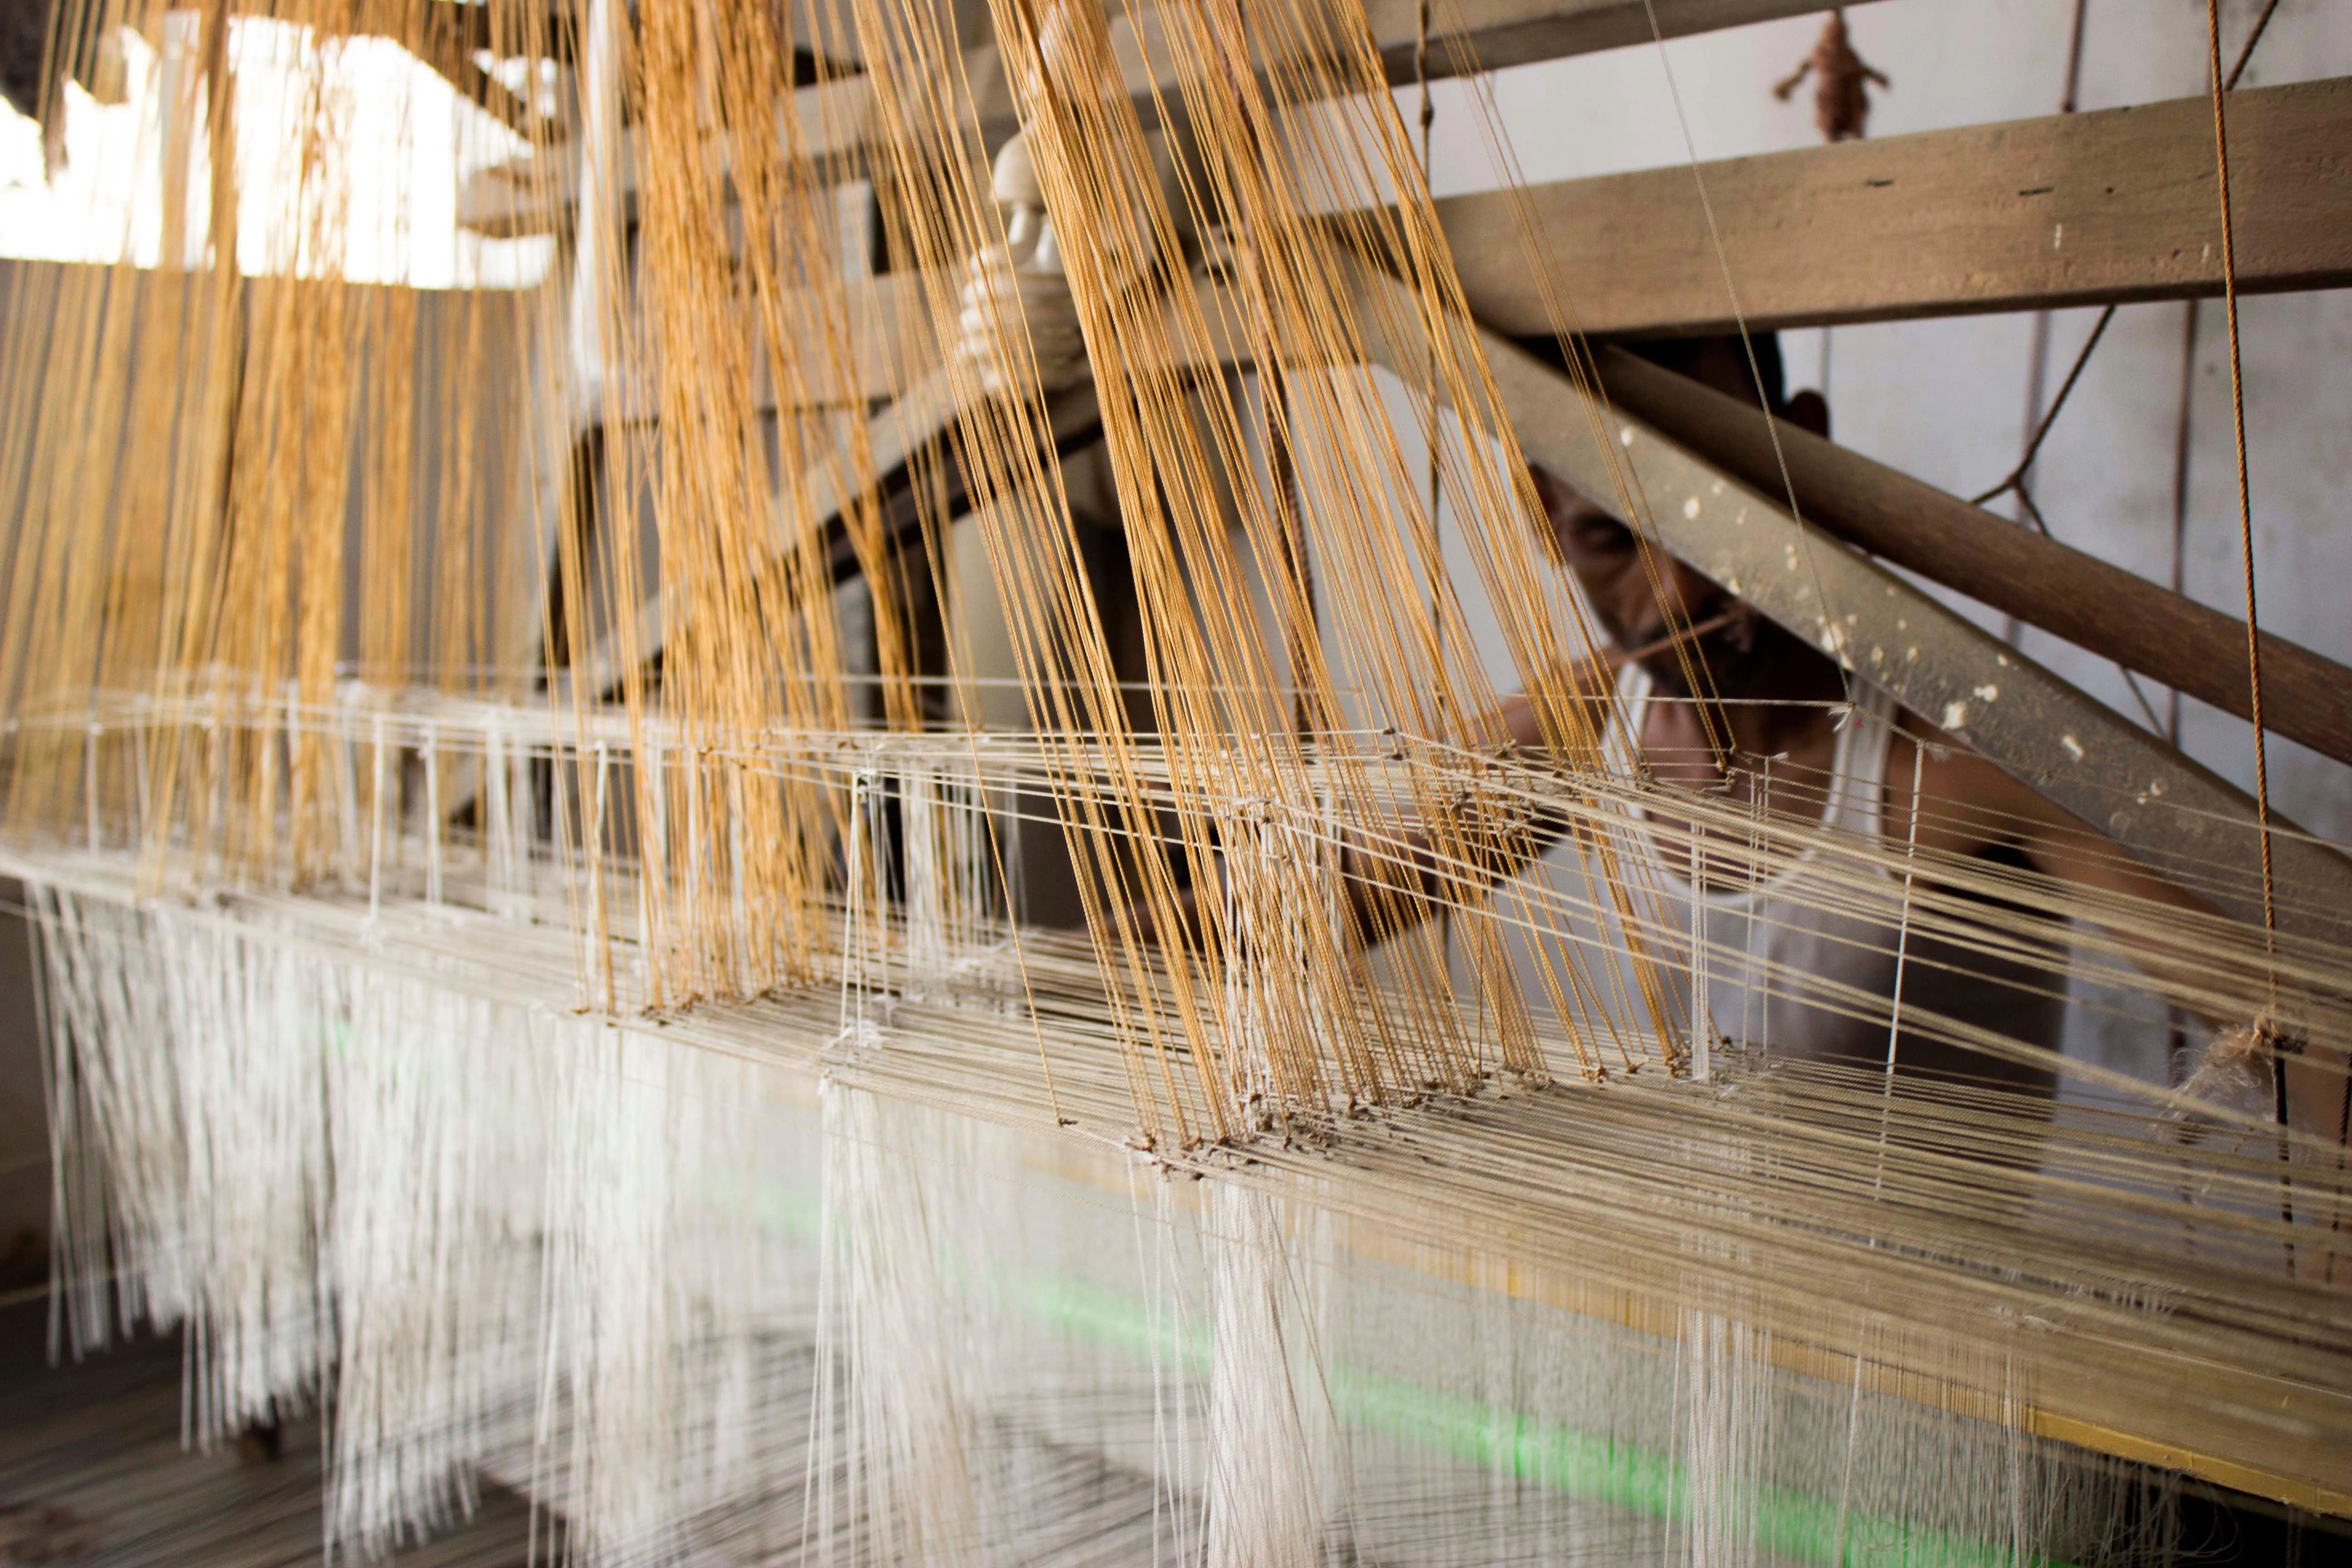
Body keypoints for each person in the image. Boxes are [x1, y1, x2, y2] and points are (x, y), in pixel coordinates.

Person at [1492, 332, 2219, 1091]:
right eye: (1610, 536)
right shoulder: (1578, 726)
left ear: (1802, 451)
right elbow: (1350, 900)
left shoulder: (1965, 756)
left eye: (1711, 510)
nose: (1678, 595)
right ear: (1544, 513)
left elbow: (2305, 1023)